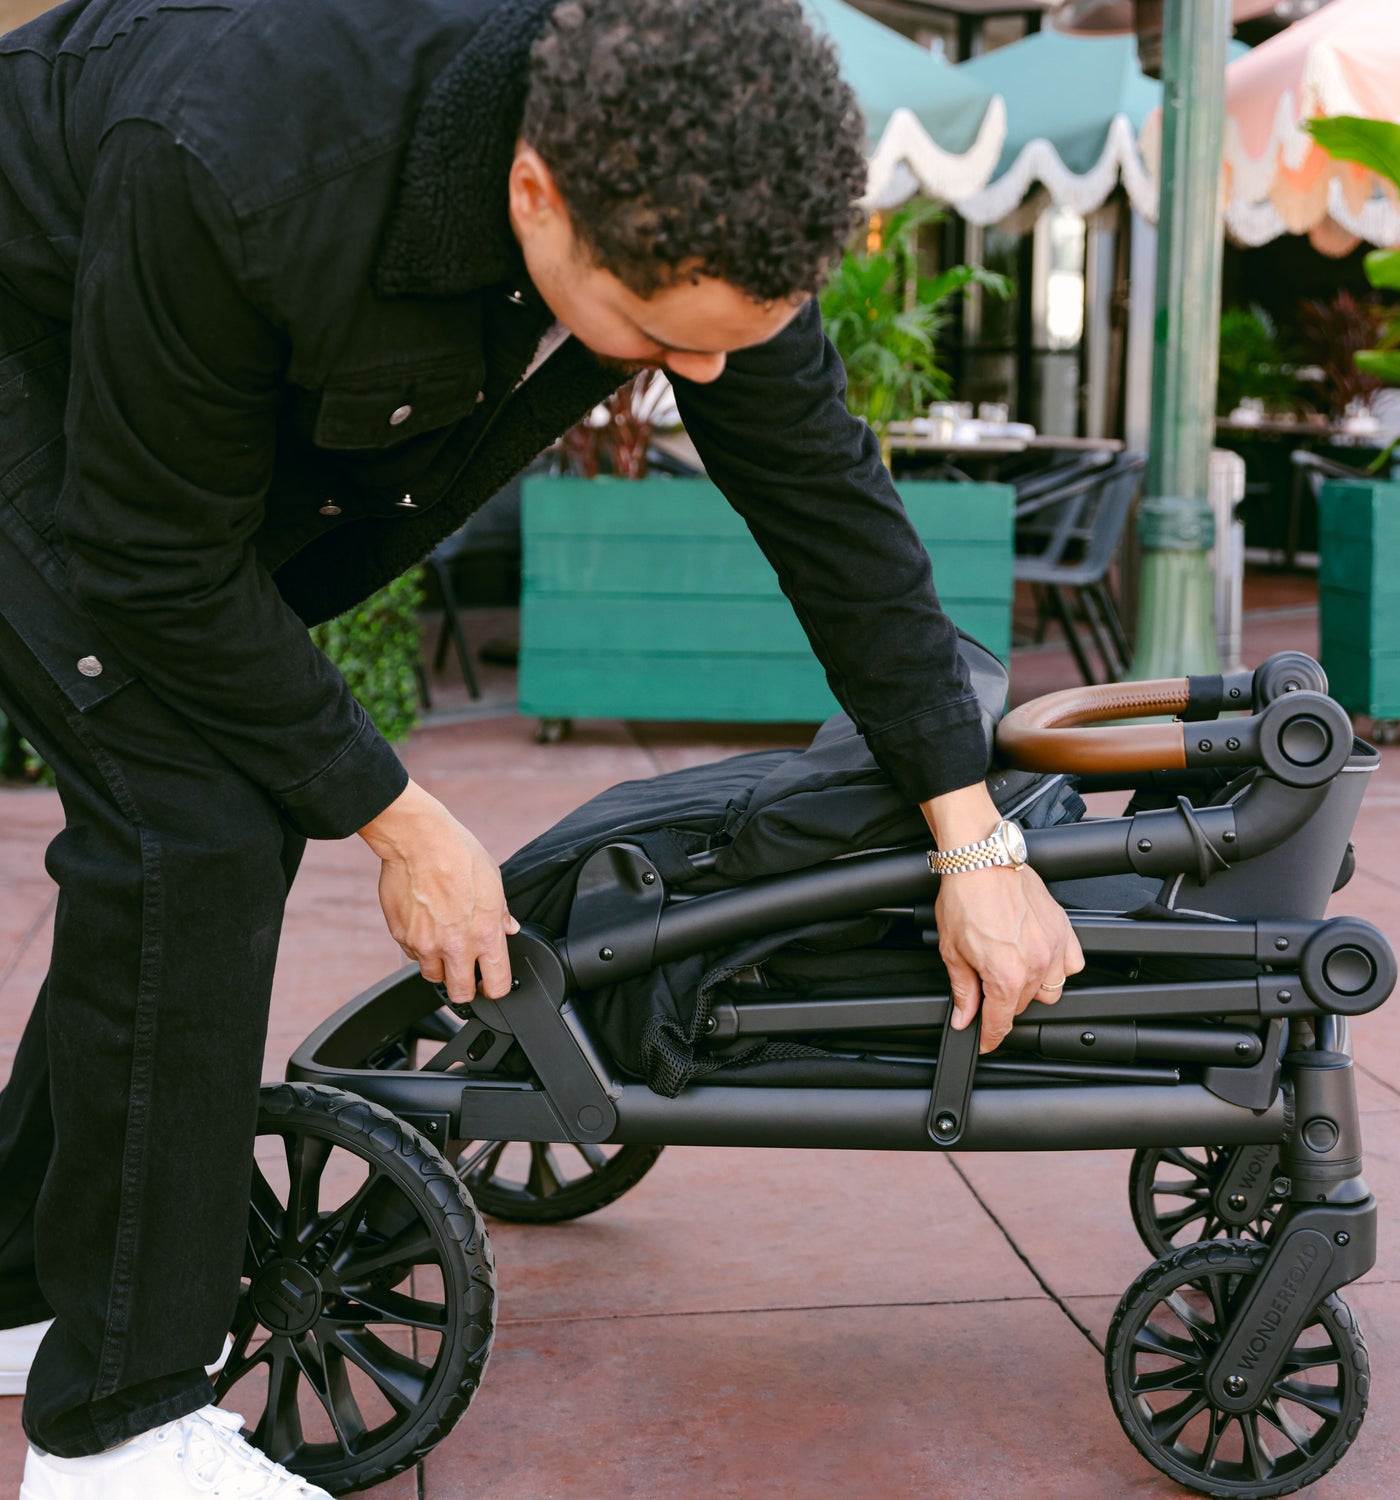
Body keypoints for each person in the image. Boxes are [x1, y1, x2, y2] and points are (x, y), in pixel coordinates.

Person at [0, 0, 1083, 1493]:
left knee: (207, 805)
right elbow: (152, 562)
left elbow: (829, 507)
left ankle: (17, 1279)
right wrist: (399, 814)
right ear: (533, 195)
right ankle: (112, 1434)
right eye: (658, 345)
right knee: (192, 815)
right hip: (24, 331)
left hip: (164, 380)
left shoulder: (706, 199)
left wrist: (974, 835)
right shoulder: (242, 157)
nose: (696, 381)